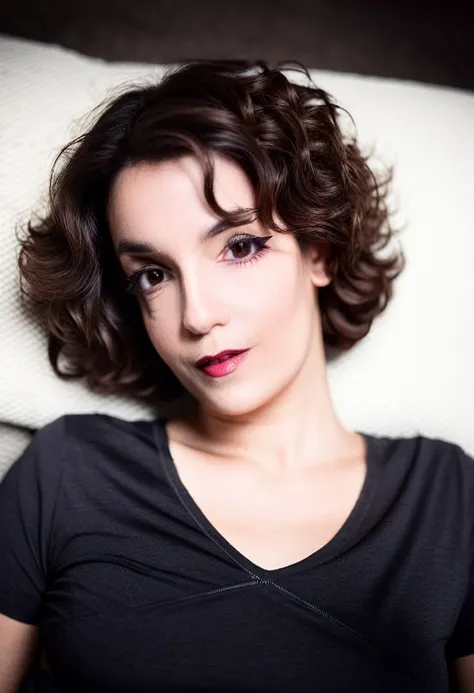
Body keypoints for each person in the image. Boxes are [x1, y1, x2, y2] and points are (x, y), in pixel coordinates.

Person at [0, 59, 473, 693]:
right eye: (153, 274)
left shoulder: (448, 499)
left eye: (240, 246)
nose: (197, 315)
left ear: (320, 250)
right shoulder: (67, 472)